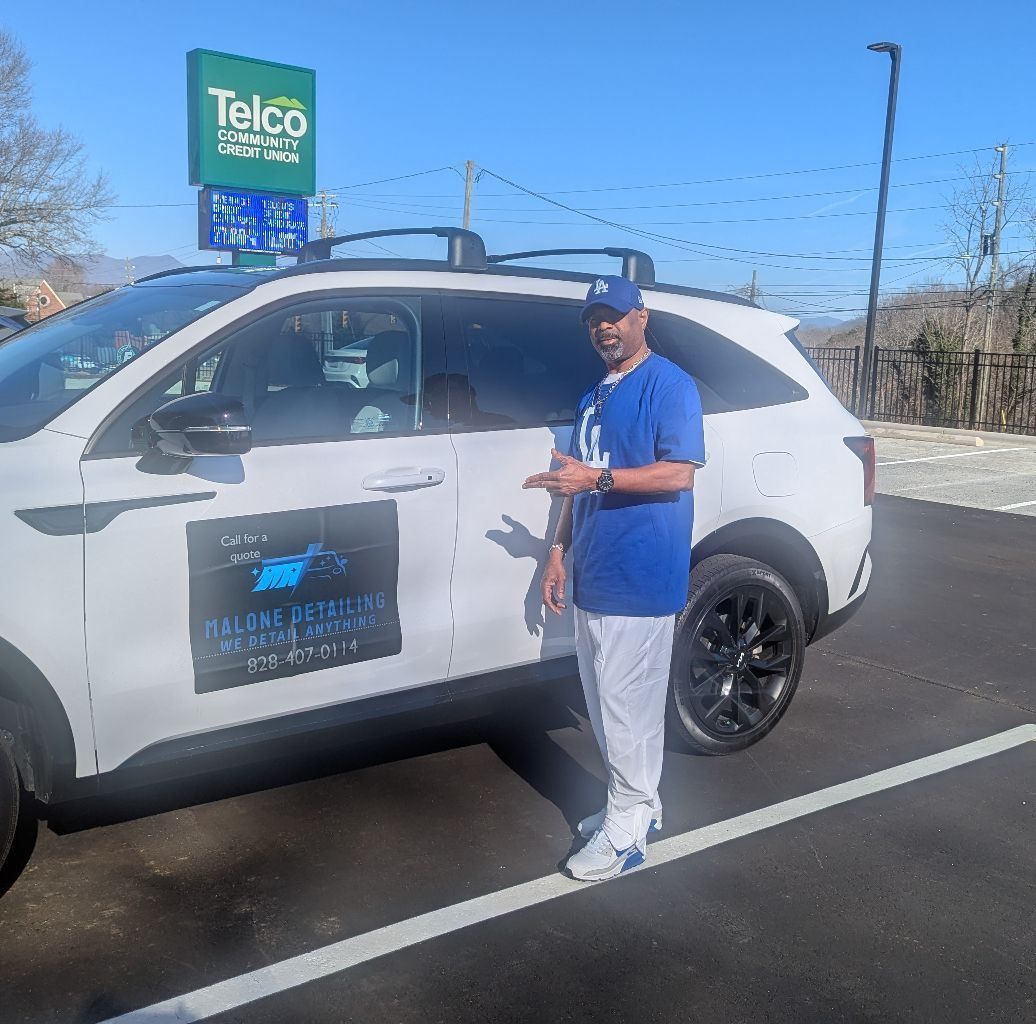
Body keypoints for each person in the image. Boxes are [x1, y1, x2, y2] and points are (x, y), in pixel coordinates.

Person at [523, 275, 705, 881]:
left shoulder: (669, 385)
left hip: (642, 571)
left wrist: (596, 481)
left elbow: (678, 474)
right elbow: (577, 478)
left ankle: (625, 829)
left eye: (615, 316)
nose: (605, 327)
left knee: (626, 705)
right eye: (595, 319)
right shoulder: (594, 395)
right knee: (607, 704)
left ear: (641, 317)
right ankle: (640, 803)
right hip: (595, 570)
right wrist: (557, 551)